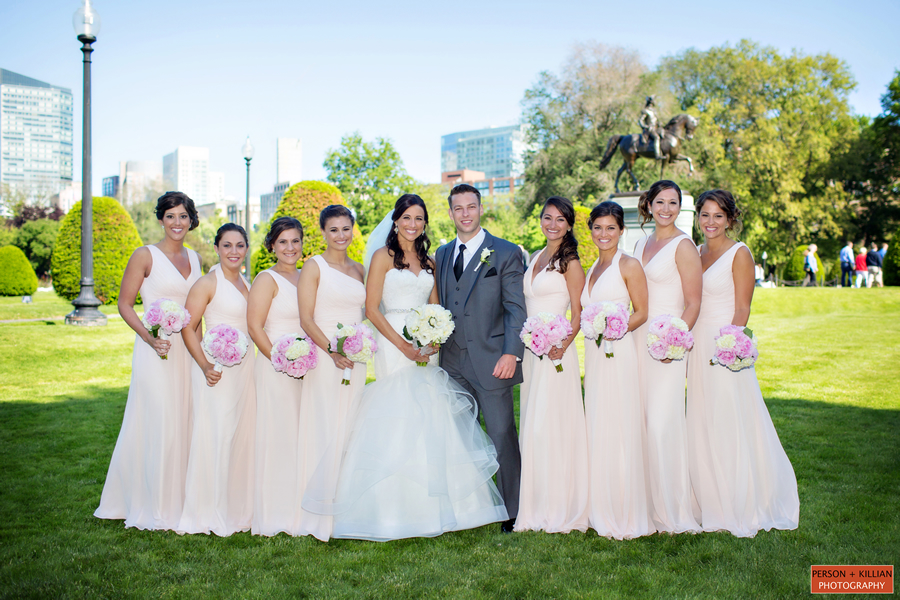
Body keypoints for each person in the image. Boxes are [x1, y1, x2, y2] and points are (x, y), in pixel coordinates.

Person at [302, 194, 509, 541]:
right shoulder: (381, 258)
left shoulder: (429, 260)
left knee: (430, 412)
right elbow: (371, 309)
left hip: (425, 344)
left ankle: (439, 506)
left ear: (425, 223)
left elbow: (437, 307)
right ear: (395, 221)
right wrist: (404, 346)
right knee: (397, 411)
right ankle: (392, 509)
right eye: (407, 218)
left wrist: (435, 337)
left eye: (419, 219)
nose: (413, 225)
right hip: (393, 342)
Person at [687, 189, 799, 536]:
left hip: (724, 346)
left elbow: (742, 308)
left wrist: (730, 346)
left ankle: (741, 503)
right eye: (705, 215)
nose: (710, 222)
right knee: (701, 421)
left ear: (730, 219)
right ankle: (709, 500)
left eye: (718, 216)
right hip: (694, 345)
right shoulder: (695, 252)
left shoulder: (740, 253)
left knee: (729, 419)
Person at [94, 191, 202, 530]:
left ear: (191, 220)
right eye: (170, 216)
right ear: (160, 219)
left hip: (186, 350)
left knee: (184, 418)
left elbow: (199, 308)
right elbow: (125, 304)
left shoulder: (196, 259)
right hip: (154, 349)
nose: (177, 223)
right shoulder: (145, 255)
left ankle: (179, 499)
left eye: (183, 216)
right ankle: (150, 502)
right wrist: (149, 336)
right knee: (157, 419)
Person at [436, 183, 527, 533]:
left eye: (470, 207)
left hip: (493, 359)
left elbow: (516, 309)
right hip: (452, 361)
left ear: (480, 208)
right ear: (450, 213)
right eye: (458, 208)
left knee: (502, 435)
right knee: (462, 437)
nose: (465, 214)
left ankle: (512, 511)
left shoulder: (504, 252)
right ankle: (474, 506)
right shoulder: (443, 254)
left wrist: (511, 353)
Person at [516, 196, 589, 534]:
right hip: (533, 352)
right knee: (533, 422)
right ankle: (535, 503)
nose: (553, 224)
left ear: (569, 225)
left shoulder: (570, 261)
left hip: (557, 354)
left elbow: (578, 311)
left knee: (553, 424)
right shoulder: (535, 256)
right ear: (541, 220)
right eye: (548, 218)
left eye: (560, 219)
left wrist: (561, 344)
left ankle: (560, 504)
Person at [632, 180, 702, 534]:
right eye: (660, 201)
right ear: (649, 204)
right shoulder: (639, 243)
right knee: (642, 423)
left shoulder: (684, 245)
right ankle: (646, 505)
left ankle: (674, 509)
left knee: (663, 424)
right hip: (637, 341)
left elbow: (692, 303)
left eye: (673, 202)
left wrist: (674, 343)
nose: (666, 208)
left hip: (668, 345)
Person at [581, 201, 654, 539]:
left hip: (619, 352)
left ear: (621, 230)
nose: (604, 233)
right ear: (591, 230)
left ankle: (625, 507)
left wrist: (616, 327)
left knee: (620, 423)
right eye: (598, 227)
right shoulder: (592, 265)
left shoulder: (629, 264)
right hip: (595, 358)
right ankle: (601, 502)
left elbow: (642, 311)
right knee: (599, 422)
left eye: (611, 228)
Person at [177, 223, 255, 536]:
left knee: (237, 435)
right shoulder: (207, 283)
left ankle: (234, 506)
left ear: (246, 248)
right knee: (216, 435)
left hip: (245, 370)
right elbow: (187, 325)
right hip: (217, 372)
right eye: (227, 246)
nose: (234, 252)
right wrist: (205, 364)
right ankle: (208, 510)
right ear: (217, 248)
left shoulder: (247, 283)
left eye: (239, 245)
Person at [295, 205, 367, 541]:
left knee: (350, 427)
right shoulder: (314, 266)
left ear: (354, 230)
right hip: (326, 357)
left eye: (346, 228)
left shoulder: (360, 269)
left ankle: (345, 508)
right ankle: (316, 510)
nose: (341, 235)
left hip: (357, 358)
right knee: (325, 427)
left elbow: (367, 314)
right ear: (323, 232)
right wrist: (331, 350)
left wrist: (358, 346)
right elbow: (306, 318)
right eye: (334, 229)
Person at [246, 217, 304, 536]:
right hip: (275, 365)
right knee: (277, 435)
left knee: (300, 434)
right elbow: (255, 326)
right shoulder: (266, 279)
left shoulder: (308, 276)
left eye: (295, 241)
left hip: (307, 364)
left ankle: (300, 506)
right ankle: (276, 512)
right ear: (272, 246)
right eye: (283, 242)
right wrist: (280, 360)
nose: (290, 248)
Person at [639, 96, 664, 160]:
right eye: (651, 103)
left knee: (664, 134)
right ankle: (657, 155)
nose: (651, 105)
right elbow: (640, 120)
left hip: (656, 128)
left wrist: (659, 123)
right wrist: (645, 126)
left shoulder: (654, 111)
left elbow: (656, 120)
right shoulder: (645, 111)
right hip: (650, 129)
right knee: (656, 137)